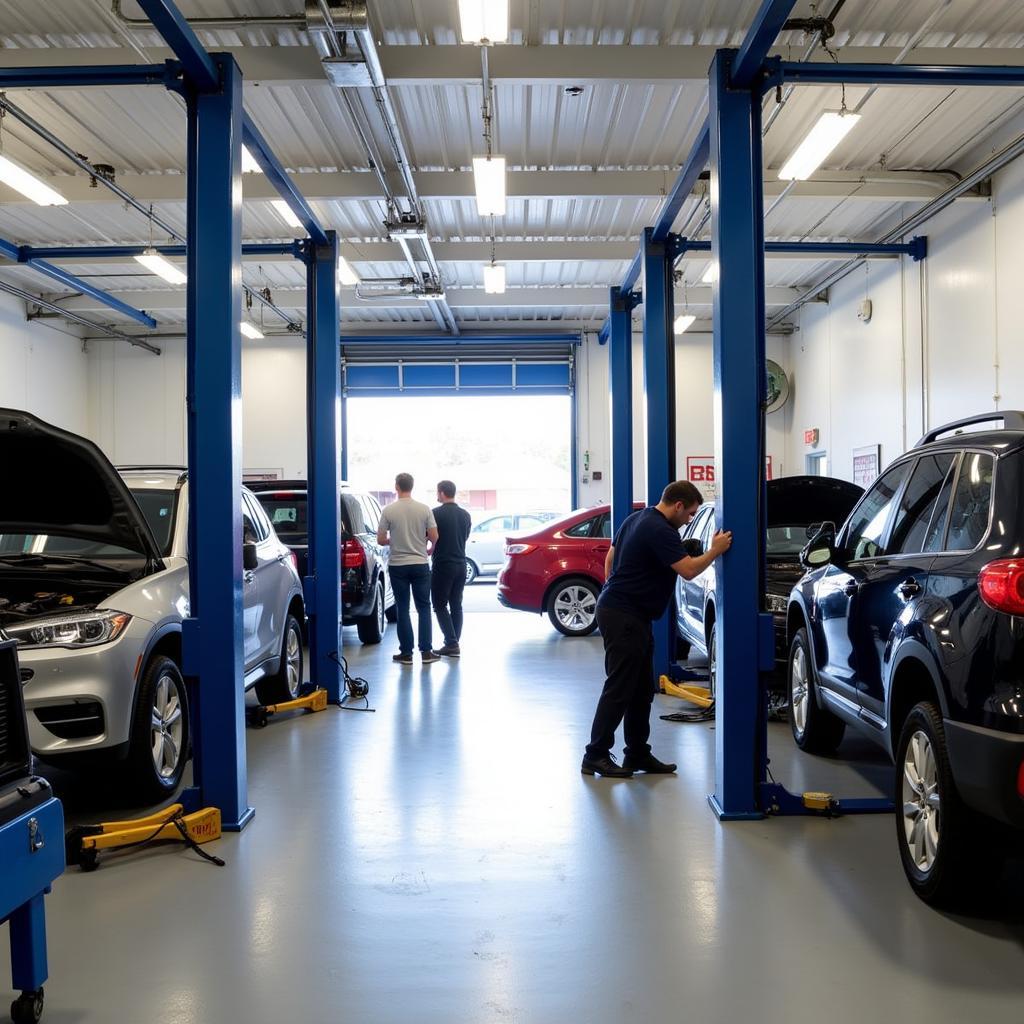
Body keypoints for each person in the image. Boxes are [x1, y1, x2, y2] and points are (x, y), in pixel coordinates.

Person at [581, 481, 733, 778]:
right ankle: (595, 755)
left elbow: (610, 558)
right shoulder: (660, 529)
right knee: (620, 687)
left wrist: (614, 587)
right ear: (677, 506)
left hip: (626, 612)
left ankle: (637, 753)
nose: (690, 520)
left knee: (641, 690)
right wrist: (715, 551)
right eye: (689, 514)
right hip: (624, 615)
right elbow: (688, 571)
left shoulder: (637, 518)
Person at [377, 473, 440, 665]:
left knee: (402, 608)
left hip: (398, 565)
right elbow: (434, 536)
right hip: (420, 564)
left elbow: (380, 540)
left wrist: (393, 539)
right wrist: (429, 549)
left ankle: (406, 654)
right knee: (424, 608)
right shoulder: (424, 509)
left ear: (396, 486)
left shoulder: (389, 510)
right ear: (412, 486)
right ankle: (427, 652)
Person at [430, 480, 473, 657]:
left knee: (439, 604)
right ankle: (454, 643)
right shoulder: (465, 515)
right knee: (456, 604)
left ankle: (451, 642)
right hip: (461, 564)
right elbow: (466, 537)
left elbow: (430, 536)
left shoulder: (435, 514)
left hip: (443, 564)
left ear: (441, 493)